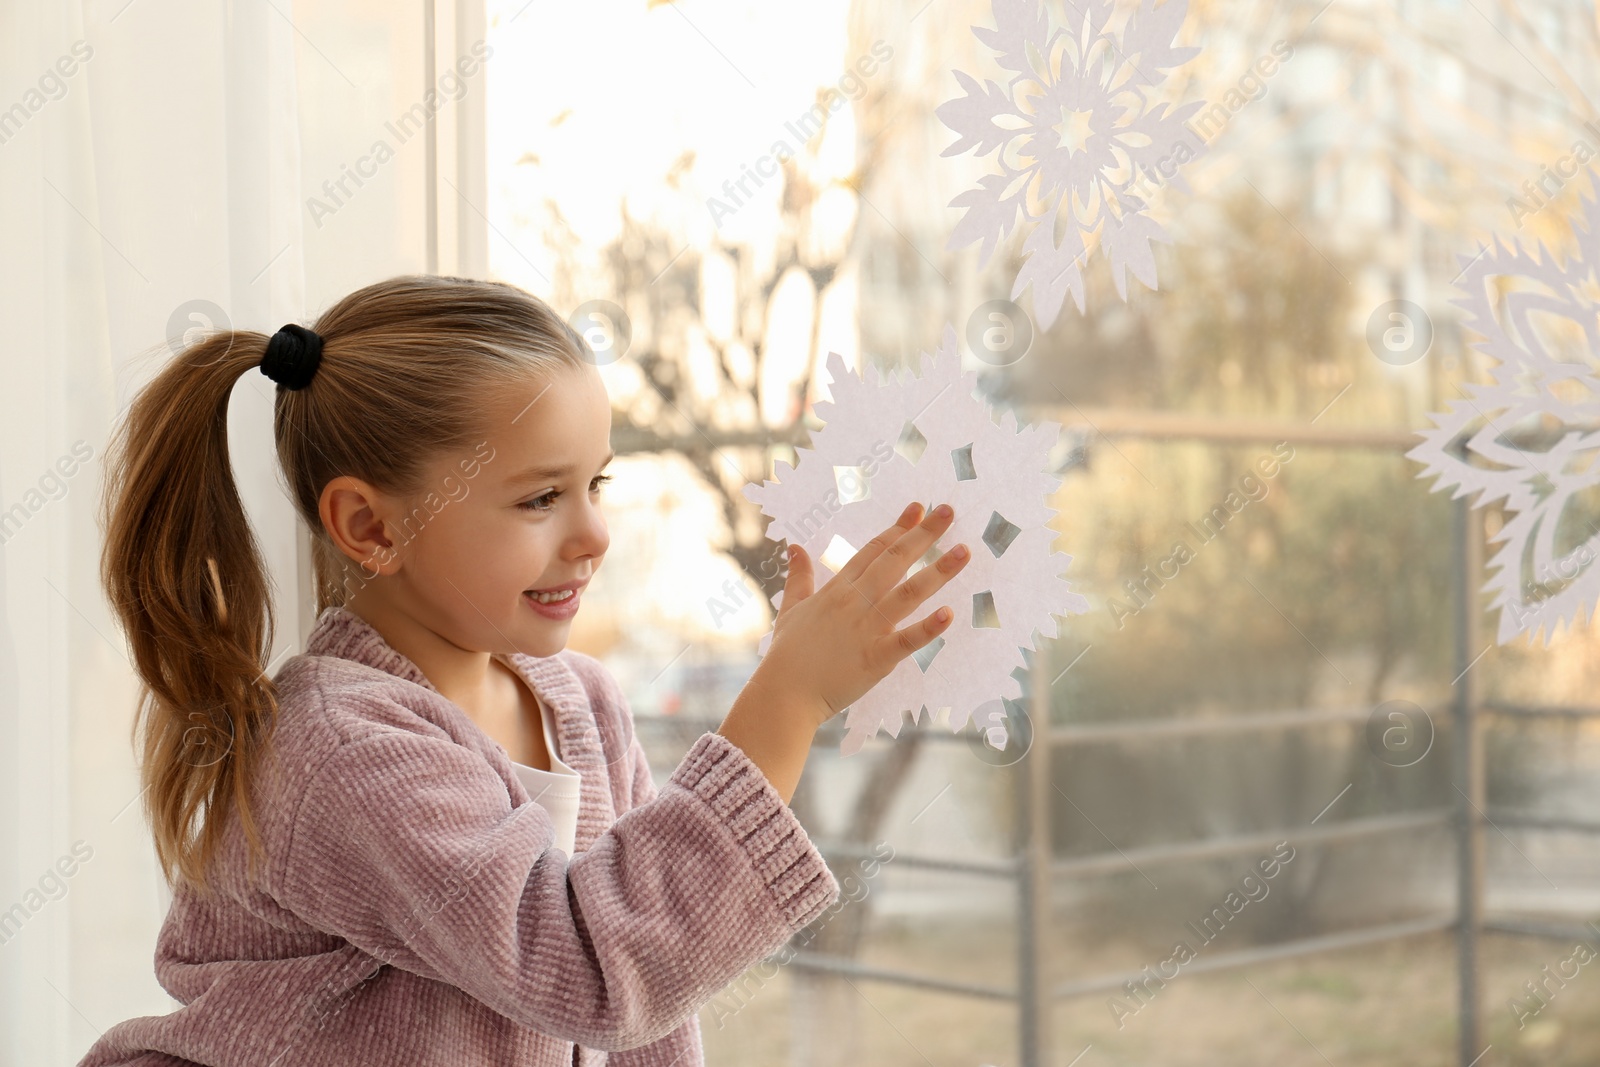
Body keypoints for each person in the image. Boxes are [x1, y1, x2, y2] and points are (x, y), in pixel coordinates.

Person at [82, 274, 971, 1066]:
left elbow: (646, 1018)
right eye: (542, 497)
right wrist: (789, 698)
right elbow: (588, 962)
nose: (593, 535)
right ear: (371, 527)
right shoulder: (341, 748)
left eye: (599, 485)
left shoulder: (582, 700)